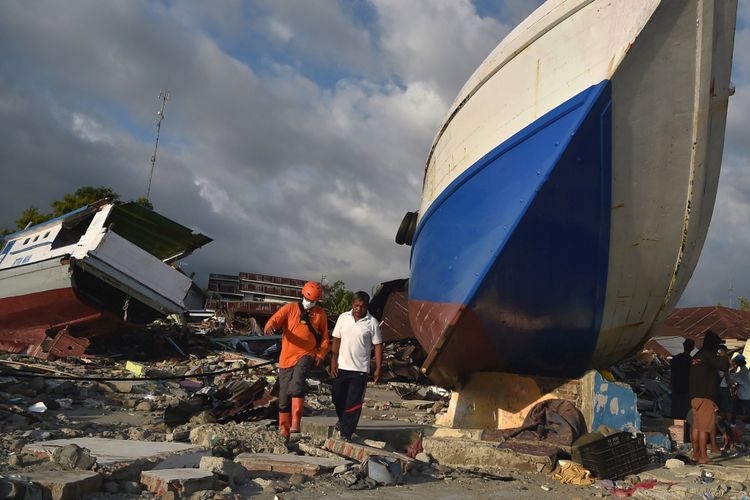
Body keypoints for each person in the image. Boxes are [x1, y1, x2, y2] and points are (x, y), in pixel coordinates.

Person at [264, 281, 329, 440]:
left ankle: (296, 422)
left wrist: (320, 355)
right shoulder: (290, 308)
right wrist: (269, 327)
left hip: (307, 354)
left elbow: (325, 338)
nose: (309, 304)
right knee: (284, 395)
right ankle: (284, 429)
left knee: (297, 383)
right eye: (308, 300)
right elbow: (273, 321)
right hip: (286, 358)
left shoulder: (320, 314)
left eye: (313, 301)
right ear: (302, 295)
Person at [330, 291, 383, 442]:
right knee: (337, 397)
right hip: (341, 367)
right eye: (356, 306)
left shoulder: (372, 322)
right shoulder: (343, 318)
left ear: (367, 307)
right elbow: (336, 340)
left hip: (360, 370)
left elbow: (378, 346)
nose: (358, 309)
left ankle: (346, 433)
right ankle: (343, 421)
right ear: (352, 305)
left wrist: (379, 367)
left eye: (362, 306)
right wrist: (333, 361)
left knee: (353, 403)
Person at [688, 330, 729, 464]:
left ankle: (695, 454)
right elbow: (724, 366)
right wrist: (723, 355)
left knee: (696, 427)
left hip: (694, 397)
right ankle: (704, 457)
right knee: (705, 428)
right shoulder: (709, 355)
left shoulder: (696, 356)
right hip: (706, 397)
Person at [670, 338, 694, 419]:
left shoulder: (676, 358)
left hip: (676, 387)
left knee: (676, 410)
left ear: (683, 346)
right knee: (685, 411)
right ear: (693, 348)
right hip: (687, 389)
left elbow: (672, 372)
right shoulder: (692, 361)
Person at [732, 354, 750, 420]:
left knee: (746, 411)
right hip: (744, 394)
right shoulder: (744, 370)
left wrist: (733, 369)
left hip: (745, 395)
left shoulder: (743, 371)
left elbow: (735, 378)